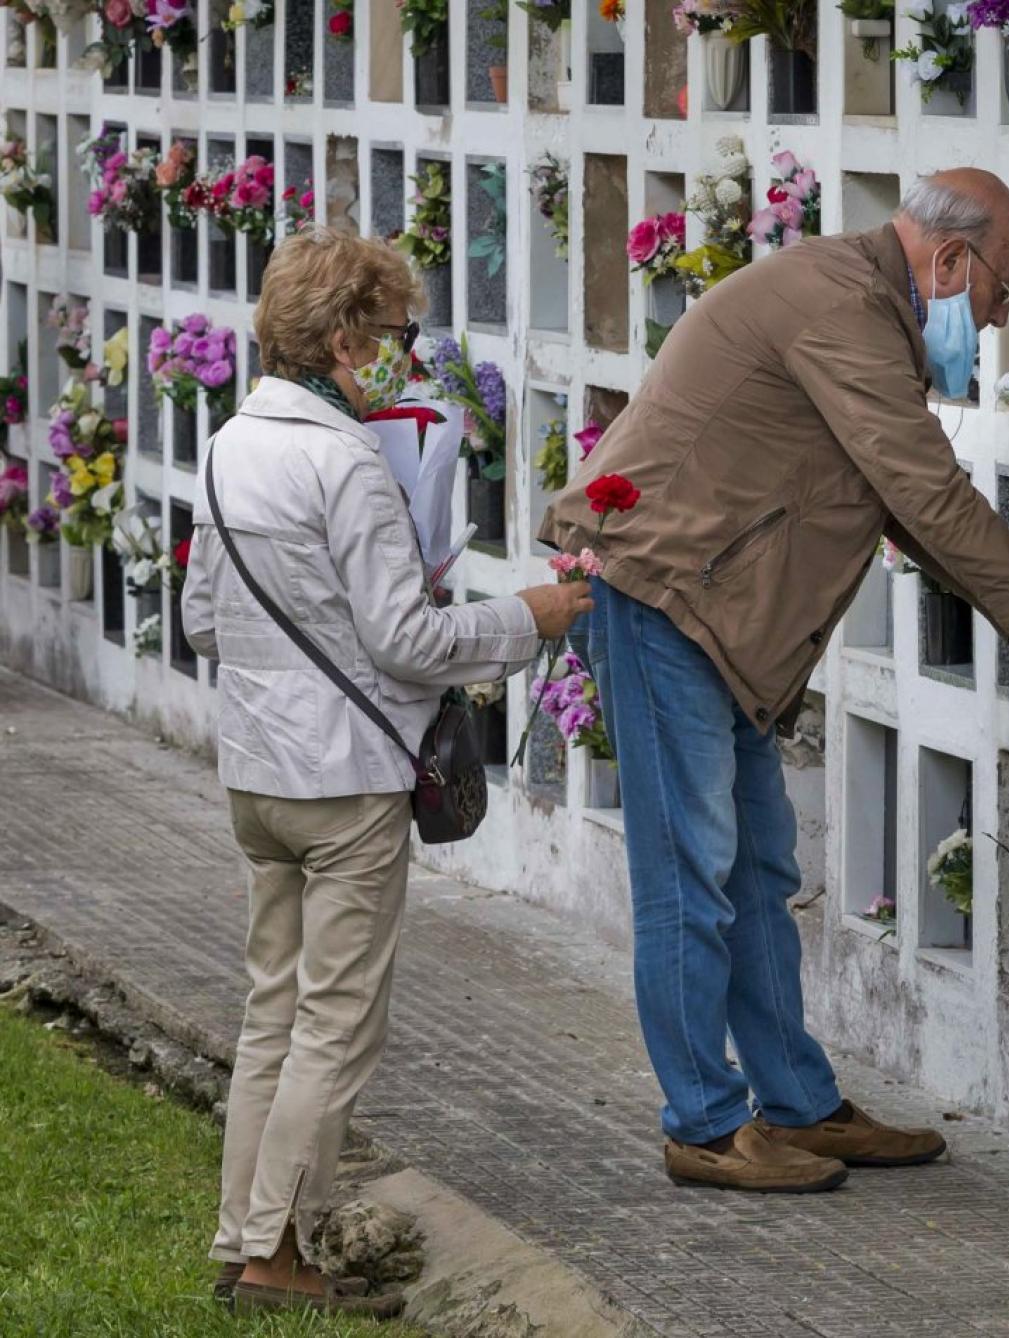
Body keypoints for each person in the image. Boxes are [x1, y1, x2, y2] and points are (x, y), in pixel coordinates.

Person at [539, 168, 1009, 1193]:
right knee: (692, 881)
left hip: (718, 618)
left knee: (757, 876)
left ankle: (798, 1106)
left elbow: (894, 496)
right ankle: (703, 1123)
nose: (996, 323)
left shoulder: (859, 303)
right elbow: (919, 480)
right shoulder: (840, 305)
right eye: (998, 296)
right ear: (952, 262)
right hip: (664, 605)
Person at [181, 229, 592, 1315]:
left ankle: (244, 1239)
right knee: (334, 1024)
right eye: (397, 333)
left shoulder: (228, 445)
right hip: (347, 781)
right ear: (348, 336)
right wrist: (527, 618)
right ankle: (276, 1257)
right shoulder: (348, 461)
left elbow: (197, 619)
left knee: (272, 1011)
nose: (405, 355)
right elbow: (408, 642)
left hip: (256, 775)